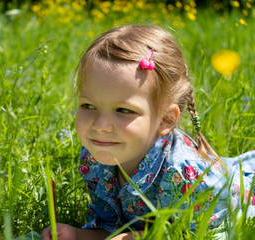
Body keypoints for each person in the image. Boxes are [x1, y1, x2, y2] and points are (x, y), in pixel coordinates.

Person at [41, 25, 255, 240]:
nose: (100, 125)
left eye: (123, 110)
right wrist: (77, 235)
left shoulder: (185, 176)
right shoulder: (95, 158)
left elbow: (203, 235)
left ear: (166, 119)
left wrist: (140, 237)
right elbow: (110, 228)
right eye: (88, 106)